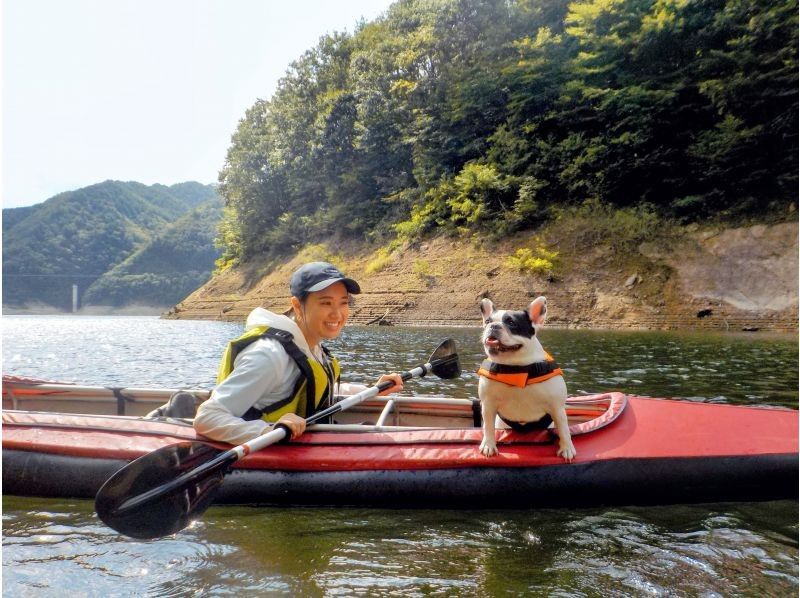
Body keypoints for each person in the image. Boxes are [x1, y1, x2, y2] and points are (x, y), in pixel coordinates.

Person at [193, 261, 403, 444]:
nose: (337, 314)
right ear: (297, 305)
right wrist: (269, 430)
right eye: (325, 303)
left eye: (343, 303)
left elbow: (313, 389)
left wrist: (371, 389)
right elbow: (208, 417)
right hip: (265, 461)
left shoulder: (310, 346)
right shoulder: (269, 356)